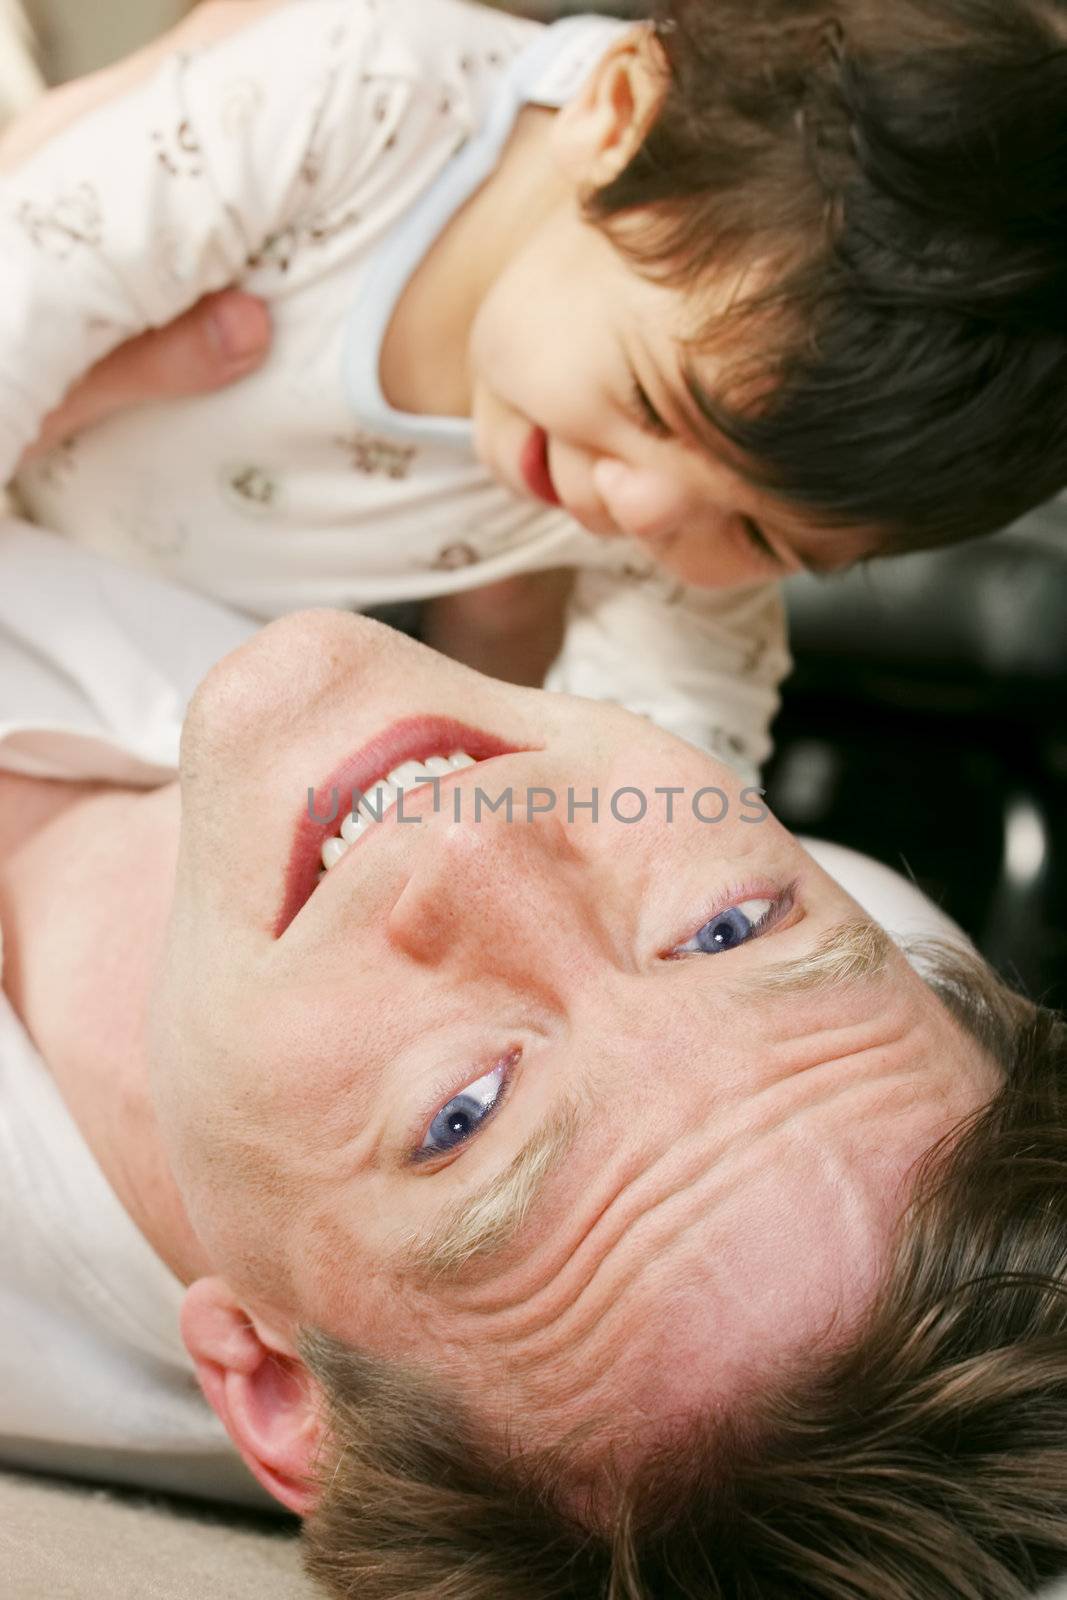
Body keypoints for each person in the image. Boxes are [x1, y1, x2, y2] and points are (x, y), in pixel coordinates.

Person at [1, 514, 1065, 1599]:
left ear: (277, 1380)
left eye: (461, 1113)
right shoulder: (864, 981)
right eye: (724, 930)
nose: (478, 833)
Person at [4, 0, 1067, 772]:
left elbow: (669, 756)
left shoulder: (709, 483)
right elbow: (26, 296)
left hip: (88, 611)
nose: (643, 514)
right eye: (654, 402)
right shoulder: (358, 99)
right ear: (612, 122)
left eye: (768, 544)